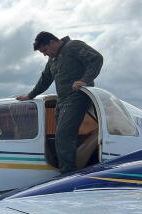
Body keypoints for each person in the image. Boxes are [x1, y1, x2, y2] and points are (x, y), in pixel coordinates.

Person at [16, 31, 103, 173]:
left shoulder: (74, 46)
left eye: (45, 50)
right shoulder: (53, 60)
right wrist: (30, 95)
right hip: (63, 101)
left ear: (52, 42)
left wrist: (84, 80)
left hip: (77, 97)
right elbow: (45, 79)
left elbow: (97, 59)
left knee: (63, 137)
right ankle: (68, 167)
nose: (45, 54)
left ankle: (68, 174)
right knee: (61, 137)